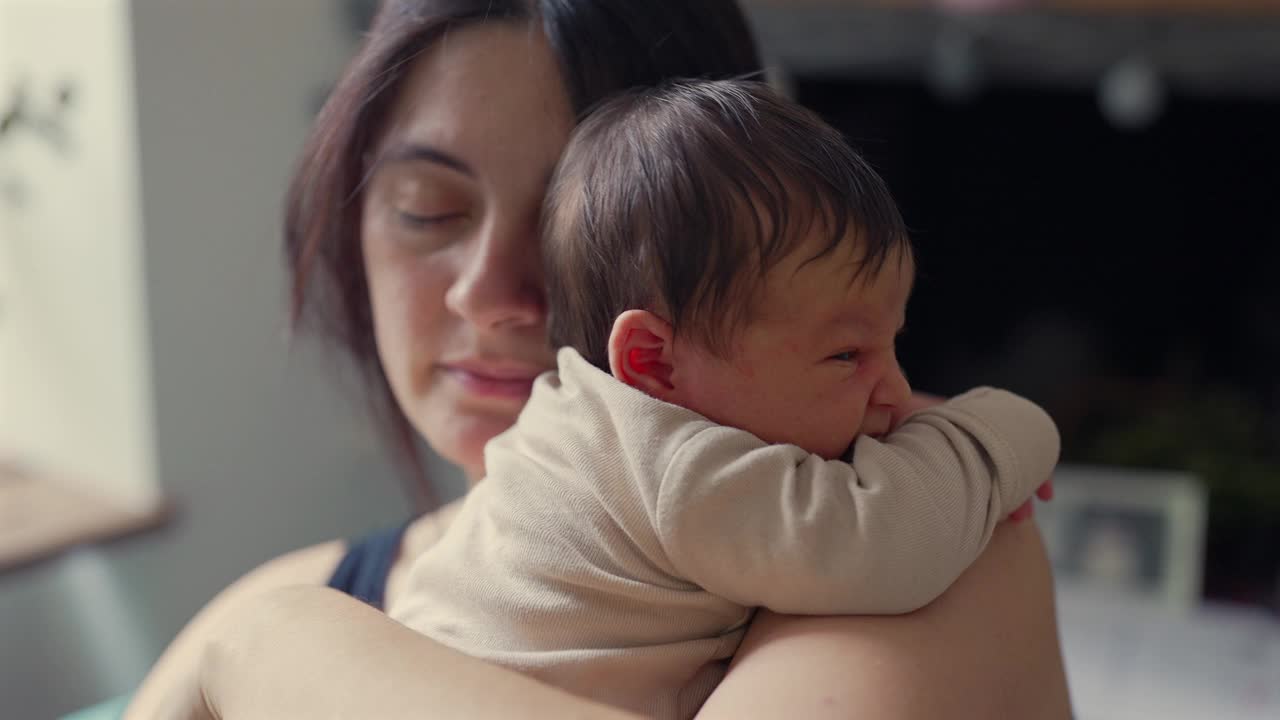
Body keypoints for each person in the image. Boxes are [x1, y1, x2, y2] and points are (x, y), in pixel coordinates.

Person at [123, 1, 1072, 718]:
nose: (487, 294)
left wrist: (262, 649)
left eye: (560, 229)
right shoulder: (312, 589)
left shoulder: (949, 548)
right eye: (427, 210)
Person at [387, 78, 1061, 719]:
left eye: (892, 344)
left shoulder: (573, 415)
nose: (900, 391)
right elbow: (880, 541)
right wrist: (998, 429)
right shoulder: (679, 468)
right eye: (847, 355)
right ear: (653, 361)